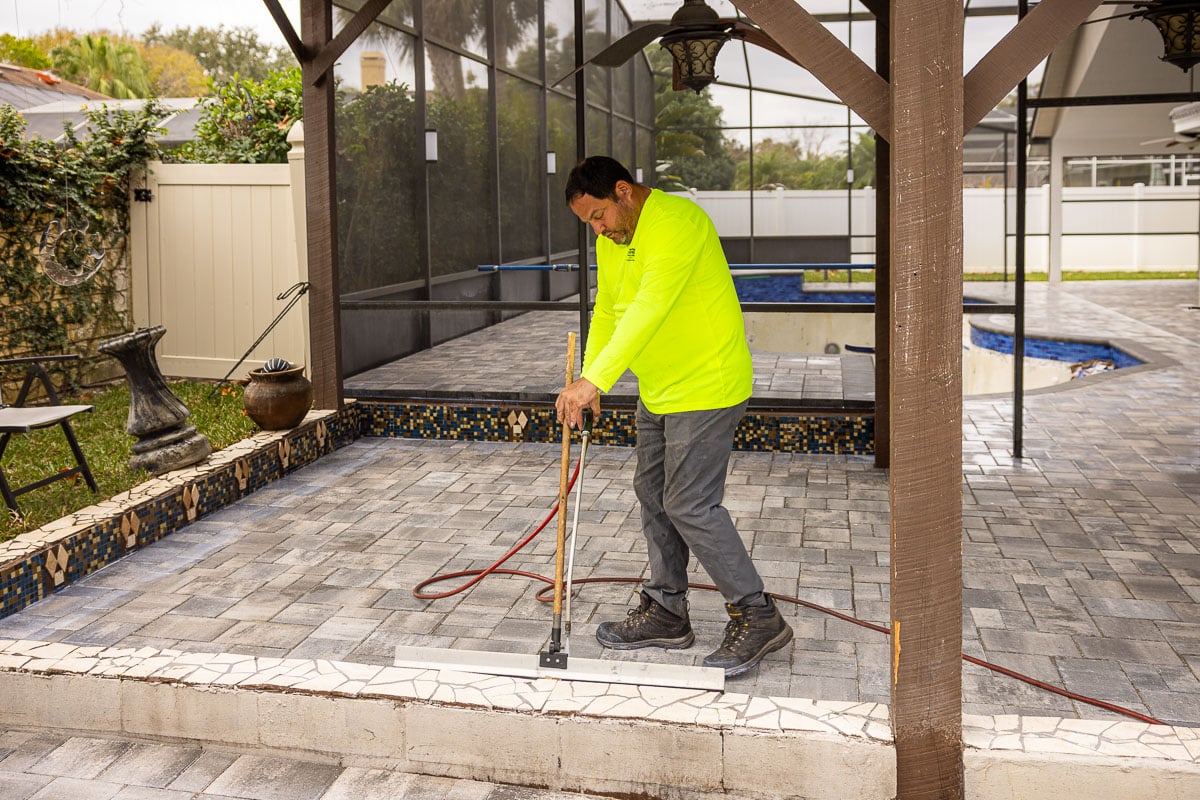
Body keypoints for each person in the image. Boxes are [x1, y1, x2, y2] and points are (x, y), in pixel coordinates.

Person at [554, 156, 793, 677]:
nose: (597, 229)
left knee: (690, 504)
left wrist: (595, 380)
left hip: (707, 385)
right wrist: (594, 376)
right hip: (659, 389)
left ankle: (758, 614)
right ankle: (666, 611)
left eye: (599, 215)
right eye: (589, 223)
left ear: (623, 191)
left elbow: (650, 307)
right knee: (653, 495)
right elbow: (610, 311)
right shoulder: (611, 242)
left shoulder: (678, 225)